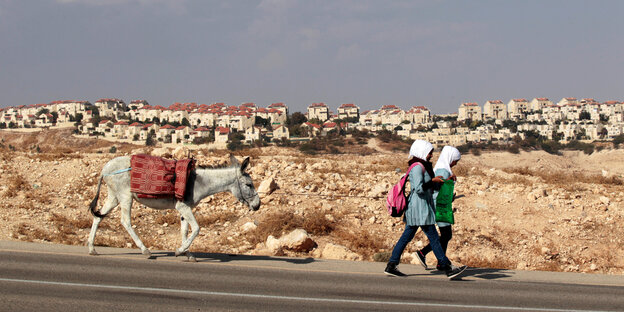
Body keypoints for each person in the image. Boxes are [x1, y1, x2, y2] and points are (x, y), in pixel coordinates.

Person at [384, 140, 467, 279]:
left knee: (407, 237)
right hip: (419, 208)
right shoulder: (417, 167)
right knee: (433, 238)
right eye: (429, 153)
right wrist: (432, 181)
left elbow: (428, 189)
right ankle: (446, 267)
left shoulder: (422, 166)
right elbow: (419, 189)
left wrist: (444, 182)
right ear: (422, 151)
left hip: (421, 208)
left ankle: (392, 265)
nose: (431, 156)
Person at [415, 146, 461, 271]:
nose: (455, 163)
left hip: (440, 205)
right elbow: (437, 191)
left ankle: (440, 261)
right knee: (446, 234)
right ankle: (426, 254)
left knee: (445, 235)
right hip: (440, 206)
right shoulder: (443, 170)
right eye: (455, 160)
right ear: (450, 158)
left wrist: (449, 182)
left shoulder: (443, 169)